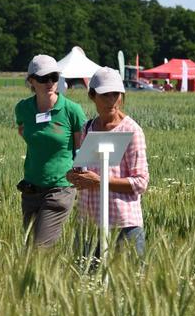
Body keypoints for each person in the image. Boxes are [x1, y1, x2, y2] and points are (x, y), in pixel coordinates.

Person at [66, 67, 149, 256]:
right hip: (89, 222)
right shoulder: (87, 128)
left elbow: (141, 182)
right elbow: (82, 169)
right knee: (86, 281)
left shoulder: (132, 131)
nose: (112, 101)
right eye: (105, 95)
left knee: (127, 283)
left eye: (116, 94)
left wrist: (100, 181)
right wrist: (74, 176)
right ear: (92, 95)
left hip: (123, 223)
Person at [15, 55, 87, 247]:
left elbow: (81, 148)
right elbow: (24, 132)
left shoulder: (72, 110)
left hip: (59, 189)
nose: (49, 82)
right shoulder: (23, 108)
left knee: (40, 249)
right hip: (30, 189)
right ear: (31, 80)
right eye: (43, 78)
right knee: (30, 249)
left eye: (54, 77)